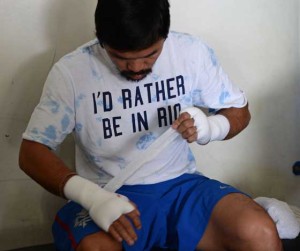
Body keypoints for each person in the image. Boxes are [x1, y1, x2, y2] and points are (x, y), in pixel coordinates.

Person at [19, 0, 283, 250]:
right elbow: (31, 152)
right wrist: (91, 197)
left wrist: (211, 127)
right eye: (120, 57)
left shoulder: (190, 53)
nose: (135, 67)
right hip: (109, 193)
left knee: (260, 233)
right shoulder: (71, 72)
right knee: (96, 248)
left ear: (165, 36)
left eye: (149, 55)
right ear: (100, 37)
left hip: (182, 186)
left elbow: (239, 110)